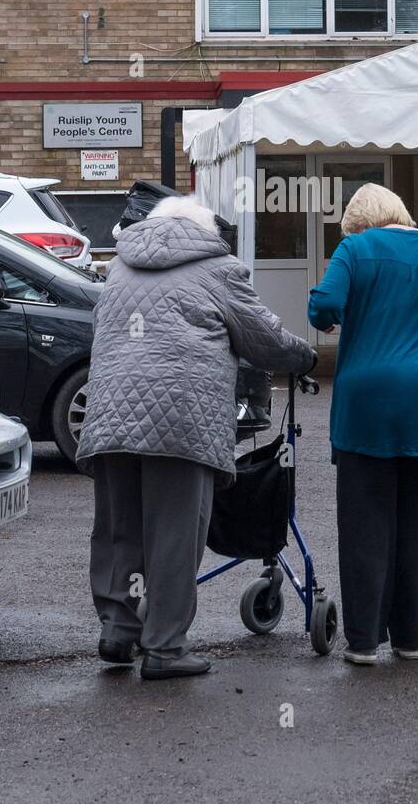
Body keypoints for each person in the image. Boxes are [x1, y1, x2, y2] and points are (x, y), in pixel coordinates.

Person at [76, 194, 314, 681]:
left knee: (120, 527)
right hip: (180, 419)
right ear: (205, 231)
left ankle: (119, 629)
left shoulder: (119, 268)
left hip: (109, 415)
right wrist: (305, 357)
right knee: (173, 533)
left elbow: (101, 329)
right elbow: (262, 340)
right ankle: (164, 647)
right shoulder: (218, 269)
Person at [308, 182, 418, 667]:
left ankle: (362, 641)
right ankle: (413, 636)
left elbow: (322, 308)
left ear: (360, 224)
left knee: (366, 523)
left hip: (369, 406)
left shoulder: (355, 249)